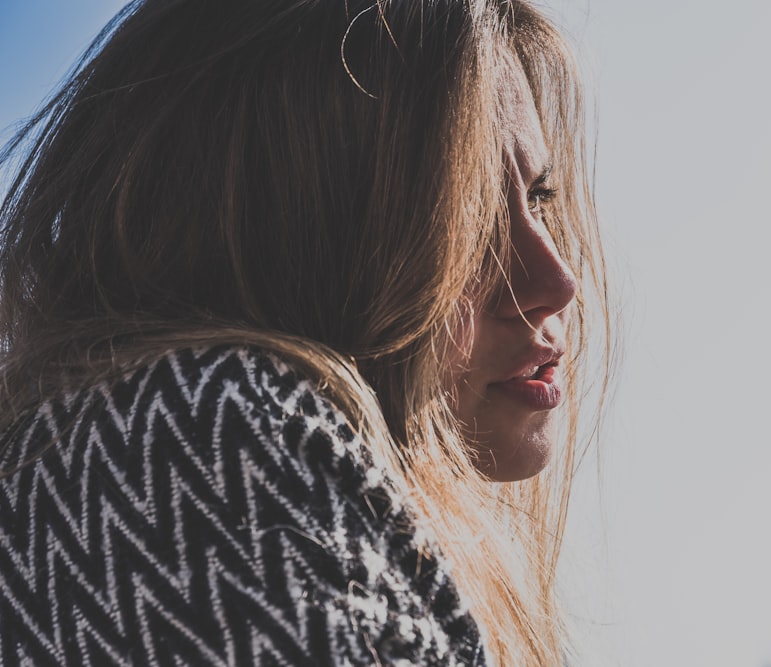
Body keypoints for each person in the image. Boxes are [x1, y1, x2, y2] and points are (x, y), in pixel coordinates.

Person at [0, 0, 609, 664]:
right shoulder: (200, 441)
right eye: (463, 220)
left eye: (539, 199)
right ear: (294, 241)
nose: (556, 280)